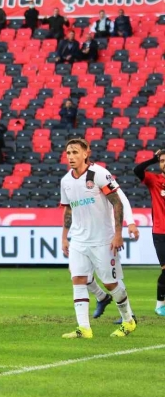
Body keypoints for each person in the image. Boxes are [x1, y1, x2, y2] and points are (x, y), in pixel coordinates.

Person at [60, 138, 135, 338]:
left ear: (86, 153)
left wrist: (118, 234)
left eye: (75, 152)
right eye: (68, 153)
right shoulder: (66, 181)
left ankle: (128, 320)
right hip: (78, 239)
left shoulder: (99, 174)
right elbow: (68, 209)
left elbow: (117, 203)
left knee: (111, 284)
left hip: (103, 239)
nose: (71, 157)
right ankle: (84, 328)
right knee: (78, 279)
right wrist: (64, 237)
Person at [133, 150, 165, 316]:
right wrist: (153, 159)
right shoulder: (155, 180)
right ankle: (160, 305)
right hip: (161, 233)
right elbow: (137, 170)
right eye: (162, 161)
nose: (164, 163)